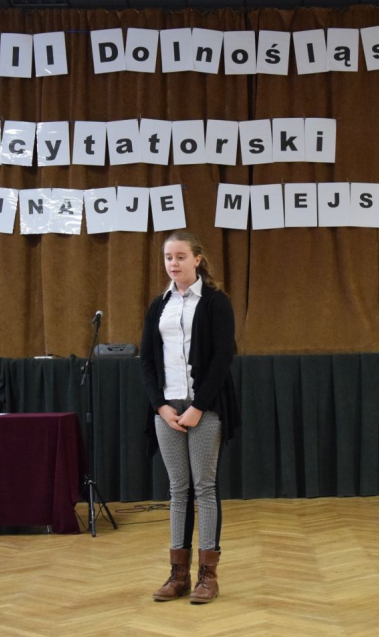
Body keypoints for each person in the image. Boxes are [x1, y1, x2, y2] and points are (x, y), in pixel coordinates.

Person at [139, 230, 239, 604]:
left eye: (180, 256)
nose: (174, 263)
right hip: (167, 409)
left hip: (205, 407)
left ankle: (207, 576)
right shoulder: (159, 305)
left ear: (197, 259)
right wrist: (160, 406)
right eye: (169, 257)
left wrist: (198, 406)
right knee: (178, 488)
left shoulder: (215, 302)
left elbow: (223, 358)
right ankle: (178, 575)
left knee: (204, 487)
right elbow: (147, 360)